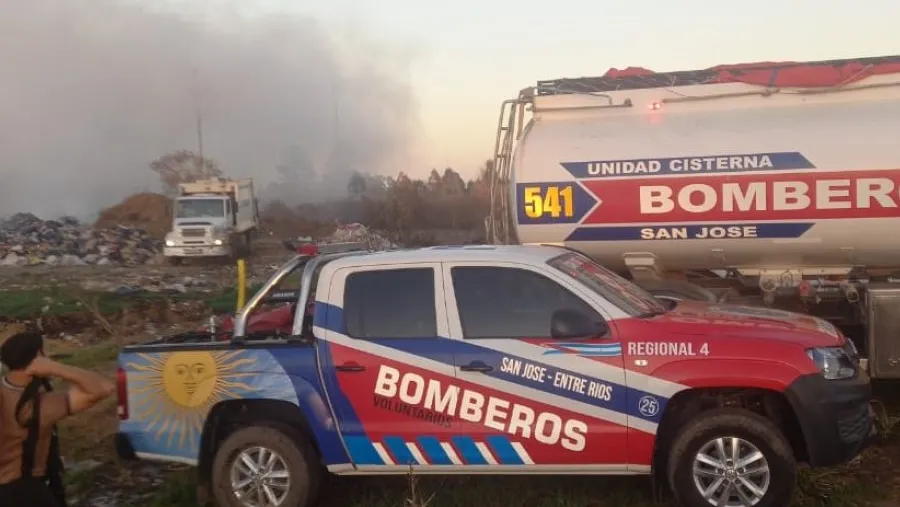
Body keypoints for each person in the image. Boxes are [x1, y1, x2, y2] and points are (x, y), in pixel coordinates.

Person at [0, 331, 115, 506]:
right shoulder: (39, 406)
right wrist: (56, 368)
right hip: (23, 493)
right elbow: (104, 387)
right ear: (38, 357)